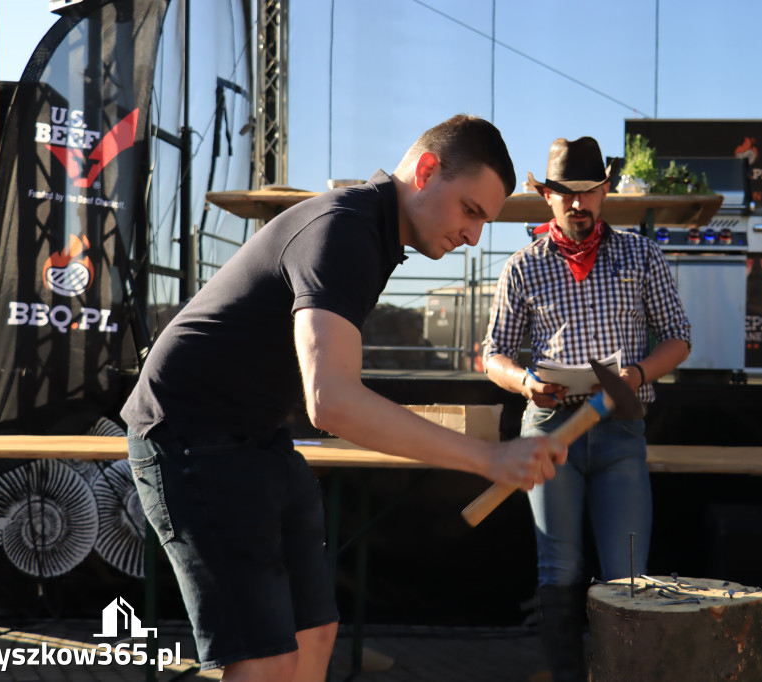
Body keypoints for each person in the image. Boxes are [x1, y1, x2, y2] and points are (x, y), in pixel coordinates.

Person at [120, 114, 567, 682]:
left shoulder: (375, 233)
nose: (475, 236)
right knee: (265, 660)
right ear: (426, 170)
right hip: (188, 441)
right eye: (471, 211)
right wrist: (487, 457)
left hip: (259, 440)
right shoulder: (344, 228)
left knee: (315, 634)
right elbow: (331, 402)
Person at [482, 136, 691, 681]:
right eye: (566, 195)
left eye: (588, 193)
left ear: (605, 191)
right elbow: (492, 354)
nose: (579, 205)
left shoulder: (641, 254)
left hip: (620, 428)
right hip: (551, 428)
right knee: (560, 568)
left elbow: (678, 336)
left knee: (627, 573)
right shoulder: (523, 266)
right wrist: (526, 382)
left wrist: (638, 374)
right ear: (546, 196)